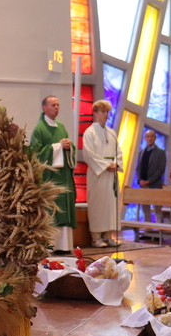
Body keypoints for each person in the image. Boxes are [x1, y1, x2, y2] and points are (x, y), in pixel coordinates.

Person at [30, 96, 77, 254]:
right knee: (51, 208)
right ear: (44, 108)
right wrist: (58, 146)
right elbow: (36, 154)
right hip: (49, 177)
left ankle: (64, 246)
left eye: (58, 105)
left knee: (63, 207)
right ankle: (50, 245)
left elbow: (69, 150)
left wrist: (69, 148)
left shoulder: (61, 127)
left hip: (63, 176)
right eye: (53, 105)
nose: (57, 107)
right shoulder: (39, 129)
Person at [81, 100, 122, 248]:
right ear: (95, 113)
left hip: (111, 175)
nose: (106, 114)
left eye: (107, 112)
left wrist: (116, 163)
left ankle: (108, 236)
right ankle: (96, 237)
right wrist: (105, 165)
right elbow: (88, 154)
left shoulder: (111, 133)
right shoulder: (89, 132)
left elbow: (118, 151)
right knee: (98, 204)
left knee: (111, 205)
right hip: (98, 174)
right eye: (103, 112)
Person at [135, 129, 166, 228]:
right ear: (145, 138)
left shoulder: (160, 152)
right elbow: (138, 168)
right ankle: (148, 229)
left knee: (157, 209)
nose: (150, 138)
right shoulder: (141, 152)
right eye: (148, 136)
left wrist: (150, 180)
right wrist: (139, 180)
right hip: (143, 185)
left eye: (152, 136)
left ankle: (159, 229)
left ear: (155, 138)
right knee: (145, 208)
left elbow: (161, 169)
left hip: (155, 185)